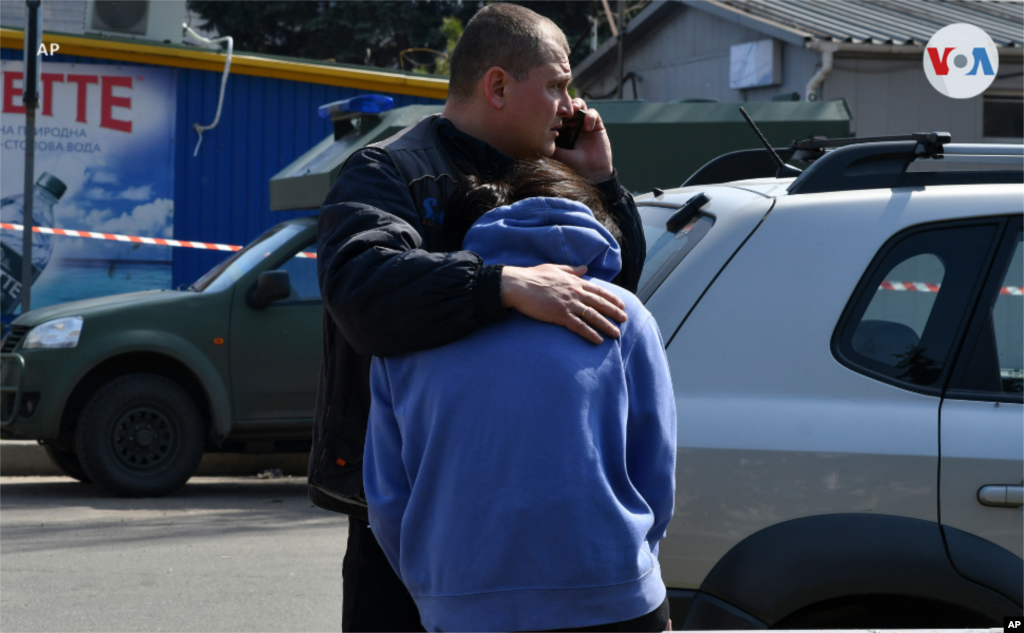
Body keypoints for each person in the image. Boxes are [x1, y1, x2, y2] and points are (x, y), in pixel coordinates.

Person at [313, 4, 647, 632]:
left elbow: (615, 295)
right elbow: (360, 289)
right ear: (497, 86)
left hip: (543, 523)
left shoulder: (552, 172)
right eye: (556, 84)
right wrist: (503, 285)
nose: (571, 107)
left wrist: (603, 183)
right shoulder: (388, 171)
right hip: (410, 520)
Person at [363, 157, 676, 633]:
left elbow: (387, 496)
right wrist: (634, 572)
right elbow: (656, 470)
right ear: (592, 222)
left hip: (462, 603)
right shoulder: (621, 313)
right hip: (616, 598)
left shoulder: (413, 327)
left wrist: (437, 588)